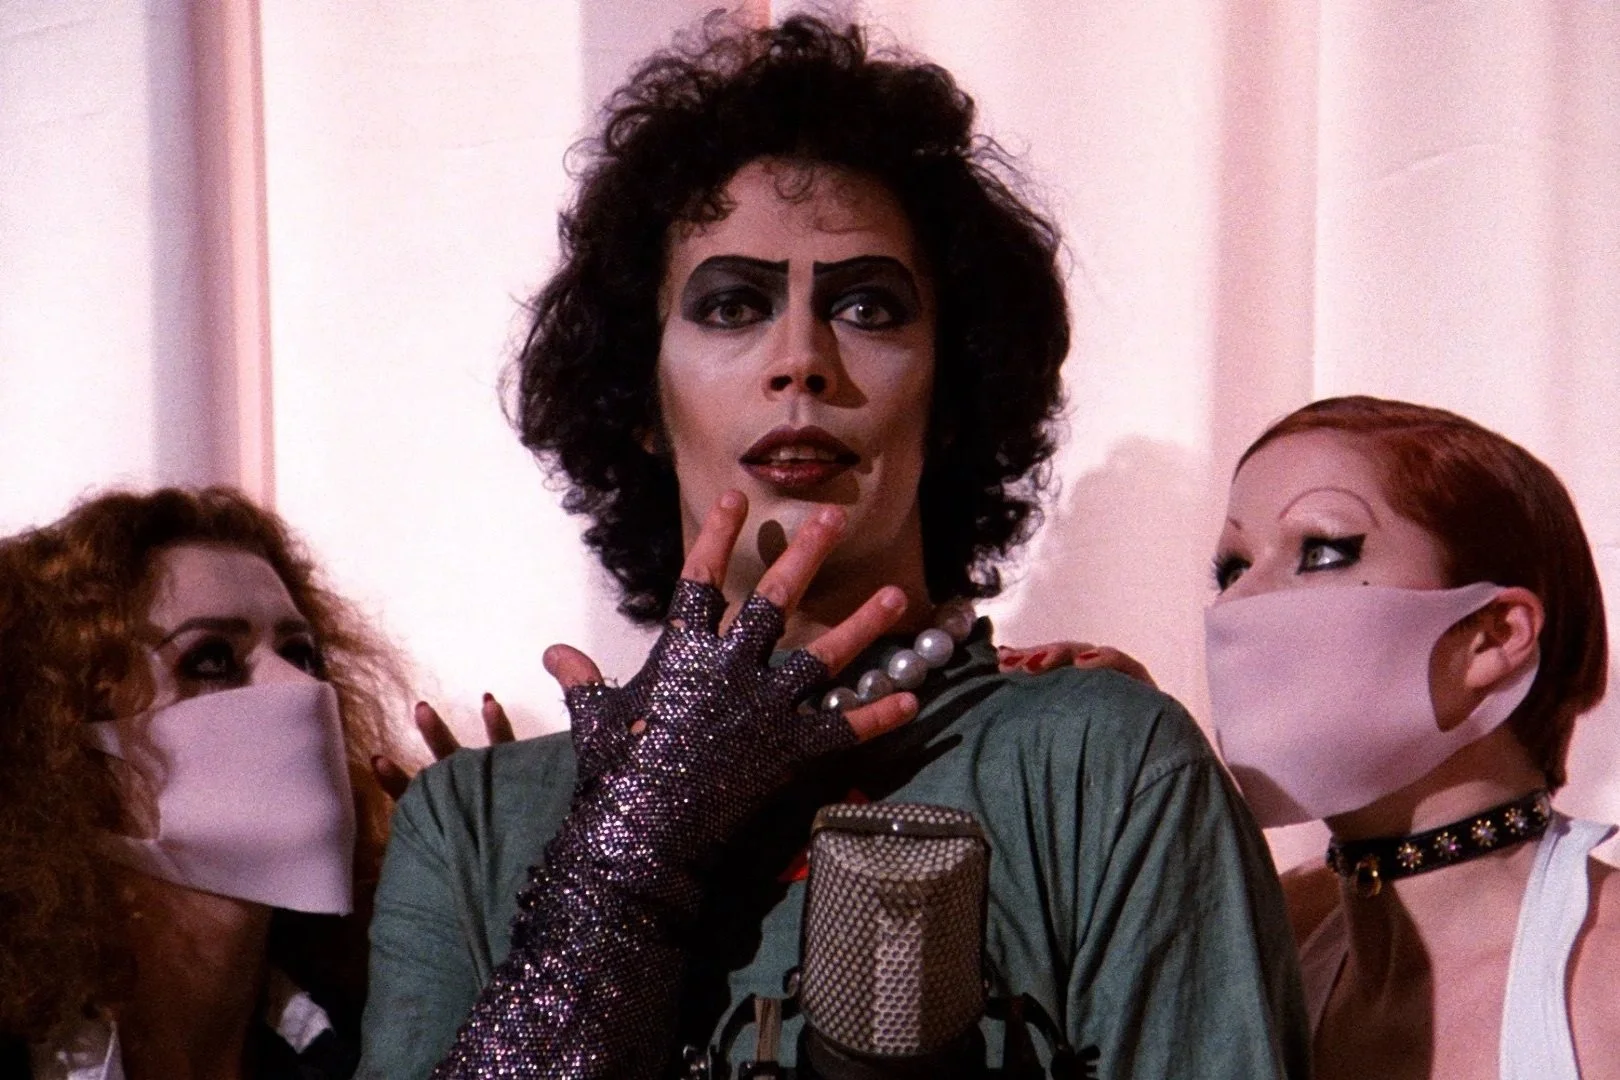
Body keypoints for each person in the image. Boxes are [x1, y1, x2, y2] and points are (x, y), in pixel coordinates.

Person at [360, 16, 1308, 1079]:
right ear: (639, 397)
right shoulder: (478, 823)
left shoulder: (1101, 764)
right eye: (733, 305)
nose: (802, 360)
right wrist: (624, 863)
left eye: (867, 306)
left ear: (952, 394)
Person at [1008, 395, 1620, 1078]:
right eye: (1233, 568)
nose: (1236, 603)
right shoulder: (1262, 934)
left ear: (1492, 636)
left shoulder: (1607, 971)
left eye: (1322, 551)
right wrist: (1132, 775)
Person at [0, 487, 407, 1079]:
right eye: (213, 659)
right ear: (60, 737)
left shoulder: (380, 1035)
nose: (303, 688)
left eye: (302, 653)